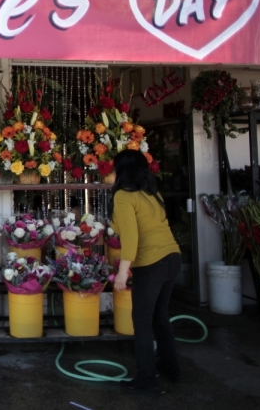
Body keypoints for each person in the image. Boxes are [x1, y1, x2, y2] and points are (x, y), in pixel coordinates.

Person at [110, 149, 181, 395]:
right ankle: (171, 368)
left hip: (151, 264)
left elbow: (130, 237)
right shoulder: (152, 194)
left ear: (121, 170)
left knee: (141, 321)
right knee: (160, 317)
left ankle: (147, 378)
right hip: (172, 258)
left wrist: (122, 271)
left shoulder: (123, 196)